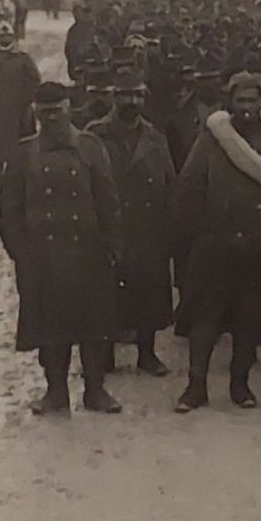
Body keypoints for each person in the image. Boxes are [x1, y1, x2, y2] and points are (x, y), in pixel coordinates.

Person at [171, 71, 261, 412]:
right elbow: (189, 188)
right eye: (240, 101)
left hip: (259, 244)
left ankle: (240, 385)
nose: (246, 108)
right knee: (205, 318)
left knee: (250, 316)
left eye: (253, 100)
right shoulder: (212, 140)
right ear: (229, 102)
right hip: (215, 244)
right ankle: (195, 387)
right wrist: (204, 230)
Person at [0, 82, 125, 415]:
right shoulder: (23, 153)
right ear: (35, 113)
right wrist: (22, 254)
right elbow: (9, 211)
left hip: (88, 254)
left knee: (94, 328)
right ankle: (55, 392)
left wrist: (112, 247)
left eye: (57, 110)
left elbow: (108, 202)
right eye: (44, 112)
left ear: (69, 108)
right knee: (50, 329)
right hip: (44, 258)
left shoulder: (90, 147)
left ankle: (95, 391)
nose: (51, 118)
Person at [87, 72, 175, 376]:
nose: (133, 102)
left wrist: (169, 228)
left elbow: (169, 183)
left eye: (138, 95)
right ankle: (105, 355)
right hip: (109, 227)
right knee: (107, 293)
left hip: (148, 229)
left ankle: (147, 354)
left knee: (148, 292)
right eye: (126, 95)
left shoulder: (155, 138)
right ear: (114, 98)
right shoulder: (95, 135)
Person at [0, 22, 41, 181]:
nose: (5, 39)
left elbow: (35, 80)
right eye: (1, 37)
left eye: (8, 36)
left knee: (22, 138)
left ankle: (19, 172)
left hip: (20, 107)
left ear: (13, 37)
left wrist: (27, 98)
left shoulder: (23, 58)